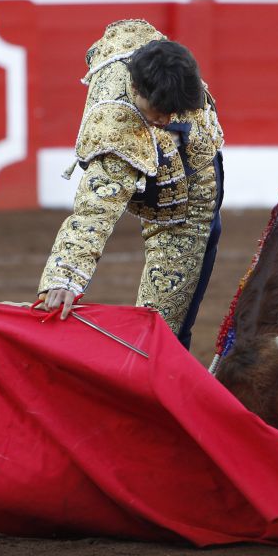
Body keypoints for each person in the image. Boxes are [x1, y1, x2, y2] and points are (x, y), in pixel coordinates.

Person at [37, 19, 225, 350]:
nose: (167, 122)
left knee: (164, 332)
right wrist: (65, 277)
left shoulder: (164, 66)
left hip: (192, 203)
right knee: (159, 341)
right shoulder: (116, 131)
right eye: (159, 114)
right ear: (135, 91)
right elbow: (95, 210)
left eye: (175, 112)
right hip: (168, 200)